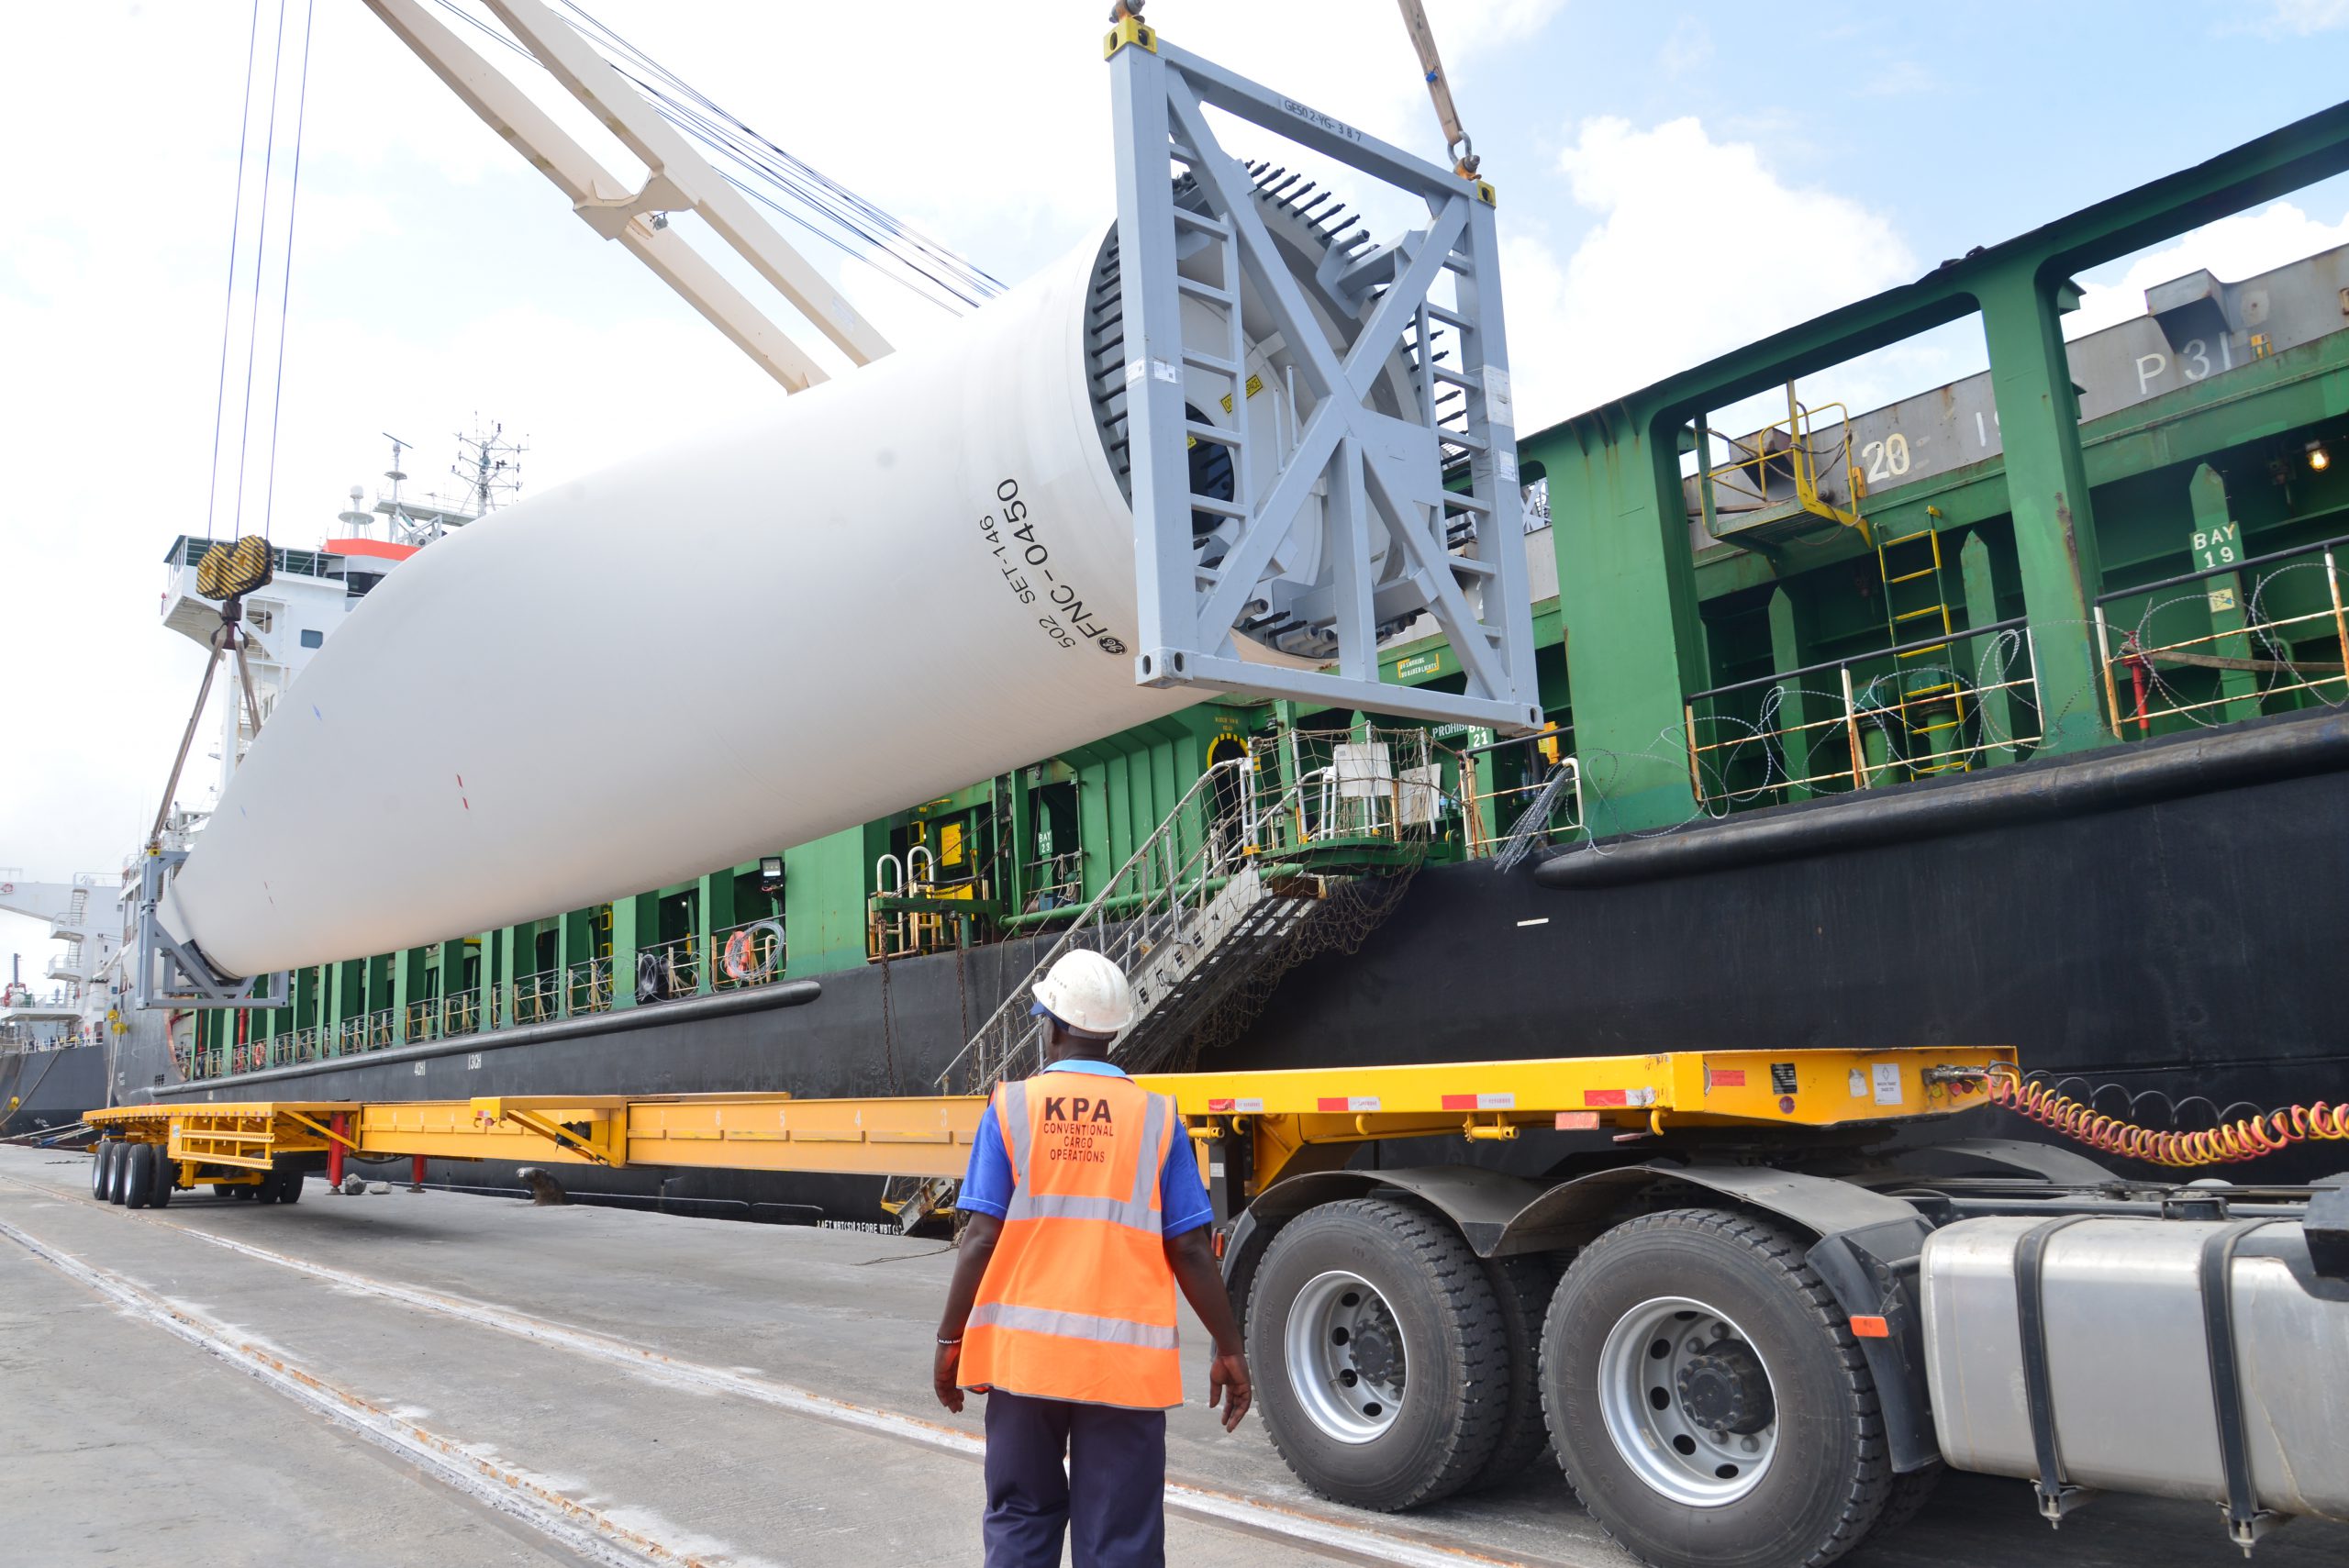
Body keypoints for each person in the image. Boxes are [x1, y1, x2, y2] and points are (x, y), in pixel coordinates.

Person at [932, 949, 1251, 1567]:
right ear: (1113, 1031)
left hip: (1026, 1363)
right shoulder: (1156, 1118)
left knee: (1022, 1517)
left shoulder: (1011, 1107)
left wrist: (951, 1340)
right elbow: (1188, 1246)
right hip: (1121, 1369)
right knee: (1120, 1537)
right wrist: (1230, 1347)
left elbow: (979, 1237)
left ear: (1050, 1024)